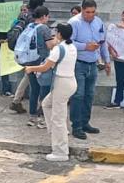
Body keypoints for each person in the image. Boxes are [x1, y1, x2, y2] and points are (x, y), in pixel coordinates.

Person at [25, 23, 78, 162]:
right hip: (69, 82)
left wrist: (30, 68)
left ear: (59, 34)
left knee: (58, 118)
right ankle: (56, 132)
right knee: (46, 104)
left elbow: (45, 67)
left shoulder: (58, 49)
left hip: (62, 83)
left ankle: (60, 152)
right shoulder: (71, 46)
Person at [69, 0, 110, 140]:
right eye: (87, 12)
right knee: (78, 95)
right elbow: (68, 42)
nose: (90, 15)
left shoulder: (98, 22)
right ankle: (76, 126)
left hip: (93, 63)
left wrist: (107, 60)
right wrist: (85, 46)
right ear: (82, 10)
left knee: (89, 95)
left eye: (93, 12)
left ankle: (85, 122)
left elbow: (103, 42)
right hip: (78, 63)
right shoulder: (74, 23)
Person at [10, 0, 46, 113]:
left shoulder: (23, 14)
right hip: (32, 52)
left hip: (21, 51)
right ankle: (39, 106)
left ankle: (16, 100)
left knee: (27, 75)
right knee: (35, 78)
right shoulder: (34, 19)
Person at [24, 6, 56, 129]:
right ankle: (42, 117)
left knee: (34, 89)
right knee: (44, 89)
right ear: (43, 16)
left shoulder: (30, 26)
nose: (48, 19)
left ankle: (32, 116)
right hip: (42, 62)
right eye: (47, 16)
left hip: (30, 61)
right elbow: (49, 45)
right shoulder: (44, 28)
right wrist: (56, 40)